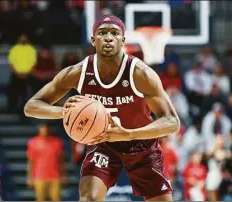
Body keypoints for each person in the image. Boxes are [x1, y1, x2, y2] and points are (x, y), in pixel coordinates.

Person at [24, 14, 180, 201]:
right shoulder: (79, 73)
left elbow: (172, 122)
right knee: (89, 197)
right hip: (103, 143)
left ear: (123, 40)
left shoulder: (141, 73)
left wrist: (129, 134)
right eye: (102, 33)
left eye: (114, 33)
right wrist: (64, 111)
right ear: (93, 40)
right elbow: (31, 106)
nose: (108, 37)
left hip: (141, 144)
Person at [26, 124, 64, 201]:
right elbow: (30, 161)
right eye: (42, 127)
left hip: (55, 176)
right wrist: (29, 177)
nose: (44, 130)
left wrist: (64, 175)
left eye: (45, 127)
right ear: (39, 129)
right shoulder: (33, 142)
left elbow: (61, 160)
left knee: (56, 199)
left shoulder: (57, 142)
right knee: (40, 199)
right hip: (39, 176)